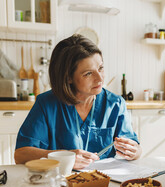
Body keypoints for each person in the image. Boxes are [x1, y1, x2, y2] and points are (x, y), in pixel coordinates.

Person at [15, 34, 141, 169]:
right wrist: (62, 158)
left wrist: (135, 151)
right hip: (59, 184)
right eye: (88, 73)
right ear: (68, 77)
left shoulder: (115, 104)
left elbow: (136, 148)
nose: (99, 79)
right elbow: (21, 155)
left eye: (101, 68)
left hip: (103, 183)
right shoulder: (46, 104)